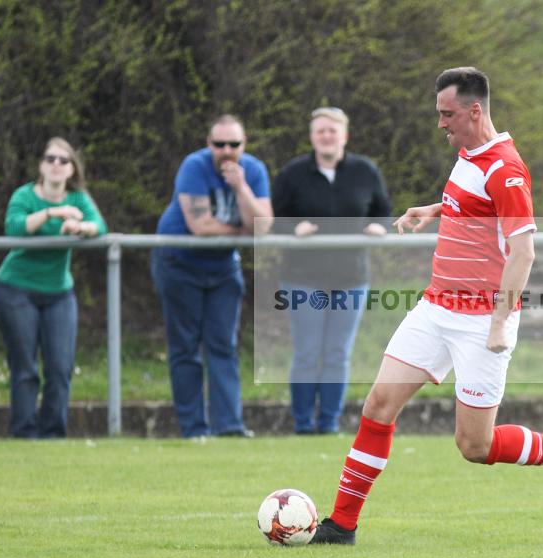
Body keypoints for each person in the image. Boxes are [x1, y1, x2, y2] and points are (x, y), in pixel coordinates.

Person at [310, 68, 543, 545]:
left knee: (475, 445)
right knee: (379, 405)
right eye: (438, 114)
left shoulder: (505, 169)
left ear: (475, 110)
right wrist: (433, 209)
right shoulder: (470, 153)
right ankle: (341, 524)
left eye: (447, 115)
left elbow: (524, 250)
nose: (441, 124)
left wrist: (498, 319)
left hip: (479, 323)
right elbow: (472, 204)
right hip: (435, 308)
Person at [272, 107, 392, 434]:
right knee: (308, 351)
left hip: (350, 277)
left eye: (332, 131)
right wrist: (292, 229)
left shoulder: (365, 172)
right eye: (321, 131)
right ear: (312, 136)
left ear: (344, 135)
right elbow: (273, 222)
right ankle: (302, 424)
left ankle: (329, 423)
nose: (327, 136)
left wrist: (380, 229)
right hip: (302, 278)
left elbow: (384, 214)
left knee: (338, 353)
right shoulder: (293, 173)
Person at [152, 114, 272, 438]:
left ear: (243, 144)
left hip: (222, 269)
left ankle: (229, 427)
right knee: (186, 348)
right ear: (209, 144)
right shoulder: (194, 166)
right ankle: (193, 429)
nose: (227, 151)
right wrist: (242, 231)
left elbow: (263, 224)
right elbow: (200, 226)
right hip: (179, 263)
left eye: (234, 144)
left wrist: (240, 186)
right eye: (219, 144)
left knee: (223, 346)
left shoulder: (254, 171)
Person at [0, 137, 107, 438]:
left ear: (72, 169)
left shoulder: (78, 199)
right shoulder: (25, 195)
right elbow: (14, 227)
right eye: (50, 159)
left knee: (60, 367)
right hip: (16, 288)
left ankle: (53, 434)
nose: (56, 164)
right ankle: (25, 432)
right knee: (25, 368)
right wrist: (52, 214)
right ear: (41, 165)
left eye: (63, 160)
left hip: (58, 292)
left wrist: (81, 228)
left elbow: (99, 225)